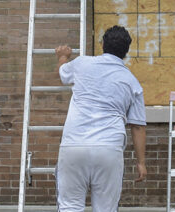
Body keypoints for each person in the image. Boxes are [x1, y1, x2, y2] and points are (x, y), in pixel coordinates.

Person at [54, 25, 146, 212]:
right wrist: (141, 162)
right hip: (109, 149)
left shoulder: (82, 64)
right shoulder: (132, 82)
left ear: (102, 44)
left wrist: (63, 56)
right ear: (126, 52)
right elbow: (137, 127)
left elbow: (63, 73)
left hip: (74, 145)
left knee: (70, 206)